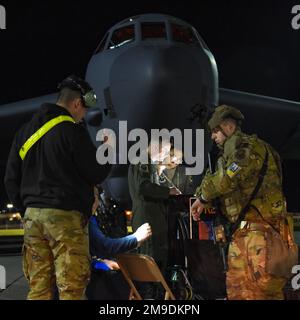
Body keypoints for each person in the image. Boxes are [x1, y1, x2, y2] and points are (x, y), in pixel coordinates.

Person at [4, 75, 111, 300]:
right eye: (83, 110)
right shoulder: (72, 131)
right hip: (66, 221)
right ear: (76, 103)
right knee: (71, 289)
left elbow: (10, 179)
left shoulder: (24, 131)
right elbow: (96, 172)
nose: (83, 116)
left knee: (38, 289)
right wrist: (107, 151)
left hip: (33, 219)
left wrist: (27, 211)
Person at [191, 104, 295, 300]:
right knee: (238, 292)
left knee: (262, 293)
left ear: (228, 127)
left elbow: (226, 180)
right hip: (244, 234)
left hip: (263, 234)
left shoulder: (247, 148)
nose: (213, 137)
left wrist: (204, 197)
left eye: (215, 131)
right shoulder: (228, 154)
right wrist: (204, 199)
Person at [128, 139, 181, 275]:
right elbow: (144, 187)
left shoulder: (149, 165)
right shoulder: (142, 161)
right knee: (150, 264)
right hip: (148, 220)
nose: (165, 155)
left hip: (153, 220)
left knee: (157, 262)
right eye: (164, 151)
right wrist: (167, 192)